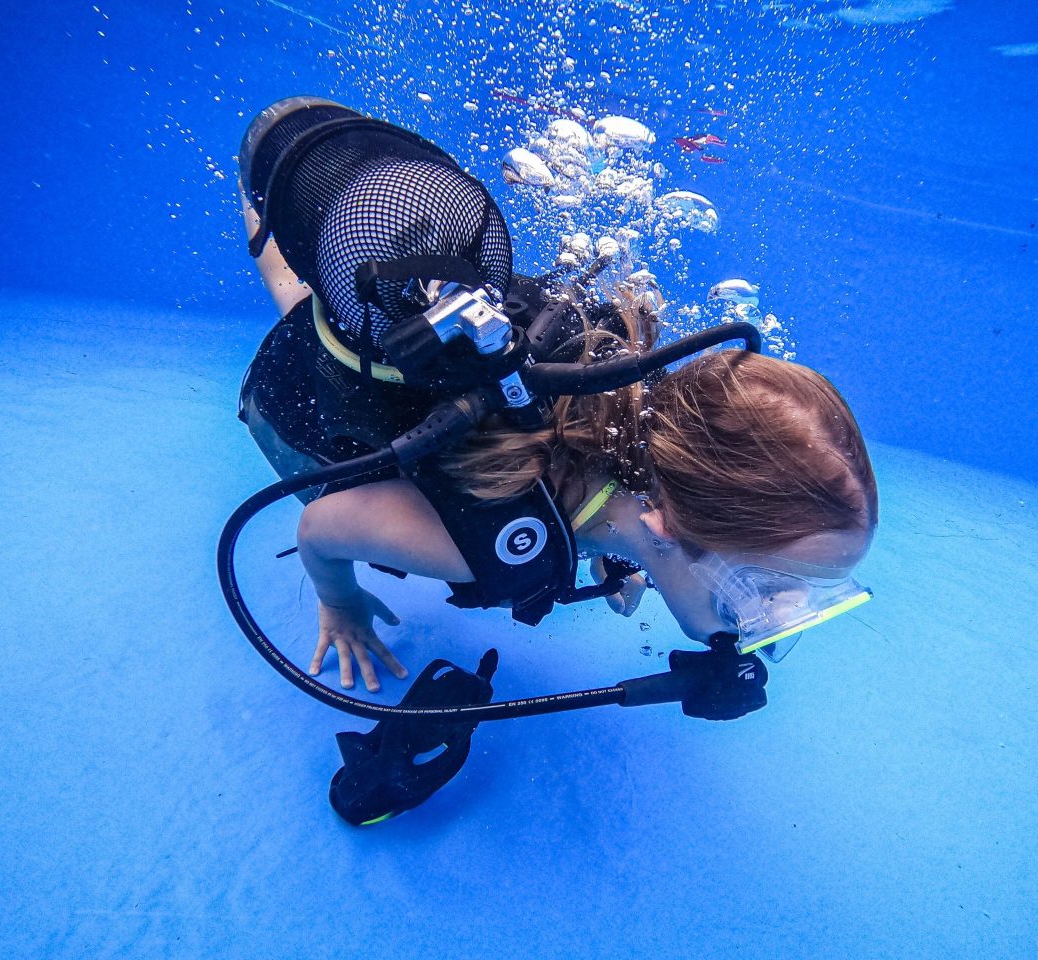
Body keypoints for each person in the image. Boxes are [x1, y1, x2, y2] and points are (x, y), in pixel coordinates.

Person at [235, 97, 879, 696]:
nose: (784, 616)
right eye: (761, 590)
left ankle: (301, 194)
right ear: (661, 524)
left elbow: (617, 495)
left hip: (425, 331)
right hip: (312, 406)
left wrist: (623, 559)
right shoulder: (483, 546)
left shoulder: (637, 400)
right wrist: (340, 603)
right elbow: (322, 528)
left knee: (342, 305)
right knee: (300, 307)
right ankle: (279, 205)